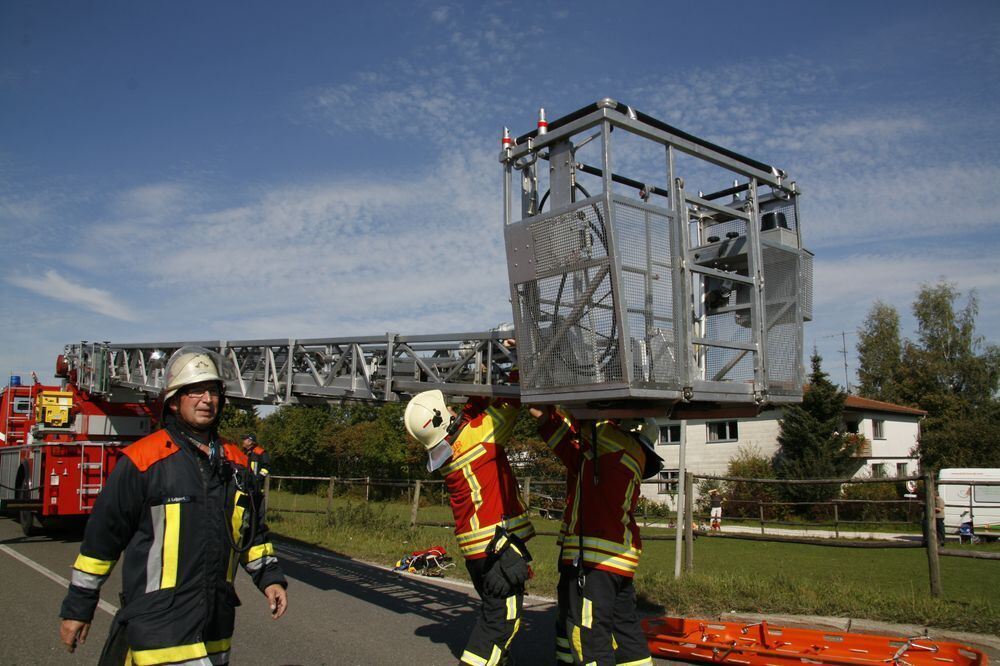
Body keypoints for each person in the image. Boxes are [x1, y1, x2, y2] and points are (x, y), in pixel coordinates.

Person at [59, 346, 288, 666]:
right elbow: (101, 543)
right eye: (195, 391)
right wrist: (78, 609)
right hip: (159, 626)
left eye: (212, 391)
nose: (206, 399)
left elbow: (251, 533)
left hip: (216, 628)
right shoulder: (143, 461)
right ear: (174, 400)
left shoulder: (235, 463)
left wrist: (270, 578)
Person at [405, 388, 535, 666]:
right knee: (500, 624)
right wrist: (515, 359)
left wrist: (483, 381)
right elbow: (512, 400)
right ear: (442, 418)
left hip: (479, 555)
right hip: (498, 551)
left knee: (494, 615)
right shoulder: (478, 437)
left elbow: (468, 416)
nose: (455, 409)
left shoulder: (451, 449)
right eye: (449, 408)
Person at [533, 408, 662, 666]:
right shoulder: (613, 454)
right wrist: (545, 416)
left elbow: (579, 410)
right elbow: (568, 447)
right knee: (624, 629)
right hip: (617, 558)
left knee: (588, 635)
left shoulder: (612, 442)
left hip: (595, 558)